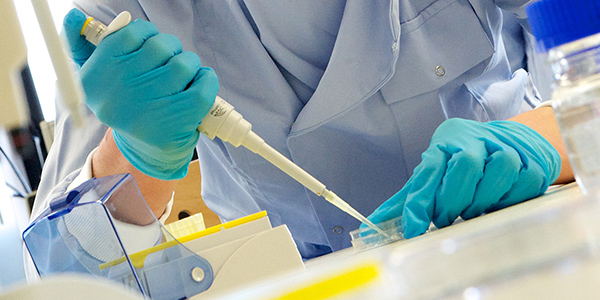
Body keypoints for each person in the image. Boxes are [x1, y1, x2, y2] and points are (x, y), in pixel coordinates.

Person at [32, 0, 573, 263]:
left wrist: (549, 140)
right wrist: (137, 154)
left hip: (533, 231)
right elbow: (66, 275)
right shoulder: (115, 16)